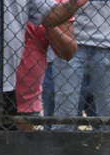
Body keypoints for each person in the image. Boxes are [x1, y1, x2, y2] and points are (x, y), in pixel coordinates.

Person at [0, 0, 87, 131]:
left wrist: (72, 4)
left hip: (11, 87)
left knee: (10, 145)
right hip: (14, 85)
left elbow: (51, 16)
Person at [52, 0, 110, 131]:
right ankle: (61, 148)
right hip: (69, 41)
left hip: (104, 41)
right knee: (65, 108)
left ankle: (108, 148)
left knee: (106, 109)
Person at [16, 0, 77, 131]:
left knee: (21, 147)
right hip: (3, 87)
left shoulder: (60, 4)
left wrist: (47, 20)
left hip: (28, 99)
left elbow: (68, 51)